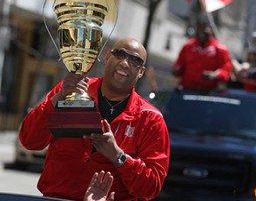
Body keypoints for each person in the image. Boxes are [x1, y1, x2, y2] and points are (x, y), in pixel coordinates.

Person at [19, 38, 170, 201]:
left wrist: (118, 156)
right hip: (57, 197)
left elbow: (151, 188)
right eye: (120, 54)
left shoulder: (150, 119)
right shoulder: (72, 92)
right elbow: (29, 140)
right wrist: (59, 98)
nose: (125, 63)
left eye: (135, 61)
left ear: (141, 72)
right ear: (107, 57)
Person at [171, 14, 232, 91]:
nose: (203, 31)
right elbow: (179, 65)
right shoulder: (188, 46)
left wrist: (214, 75)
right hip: (187, 90)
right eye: (200, 27)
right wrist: (176, 70)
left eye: (206, 27)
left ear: (211, 30)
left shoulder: (220, 49)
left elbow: (226, 70)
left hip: (209, 92)